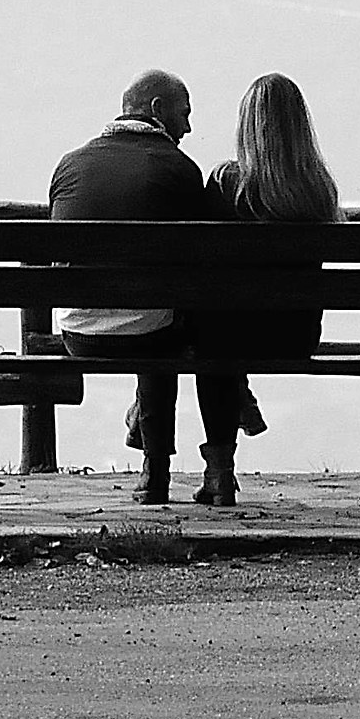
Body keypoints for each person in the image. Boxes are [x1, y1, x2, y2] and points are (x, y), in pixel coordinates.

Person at [48, 69, 241, 506]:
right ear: (157, 110)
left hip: (80, 334)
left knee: (154, 314)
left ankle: (153, 467)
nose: (188, 128)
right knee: (173, 326)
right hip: (152, 335)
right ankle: (191, 465)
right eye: (184, 114)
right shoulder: (180, 170)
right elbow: (202, 264)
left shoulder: (71, 165)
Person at [195, 73, 343, 503]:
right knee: (221, 338)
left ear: (246, 127)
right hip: (295, 336)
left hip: (226, 338)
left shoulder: (227, 183)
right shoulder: (319, 191)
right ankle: (237, 393)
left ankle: (219, 472)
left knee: (213, 341)